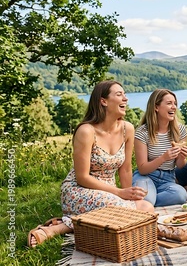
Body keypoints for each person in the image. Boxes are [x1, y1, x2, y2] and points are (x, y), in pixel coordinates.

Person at [28, 81, 154, 247]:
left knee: (146, 208)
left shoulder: (127, 129)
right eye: (119, 94)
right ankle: (58, 228)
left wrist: (128, 193)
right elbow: (82, 177)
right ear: (103, 101)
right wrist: (119, 193)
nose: (126, 98)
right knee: (124, 210)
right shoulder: (86, 131)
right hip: (80, 190)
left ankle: (75, 222)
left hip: (109, 193)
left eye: (125, 94)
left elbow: (126, 169)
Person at [133, 89, 187, 206]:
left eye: (175, 104)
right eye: (169, 103)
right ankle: (147, 201)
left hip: (168, 178)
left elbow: (180, 165)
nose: (174, 107)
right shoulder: (142, 132)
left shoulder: (180, 130)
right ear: (156, 107)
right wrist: (163, 158)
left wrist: (182, 157)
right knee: (147, 199)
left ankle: (146, 202)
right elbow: (143, 168)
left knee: (180, 195)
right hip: (146, 176)